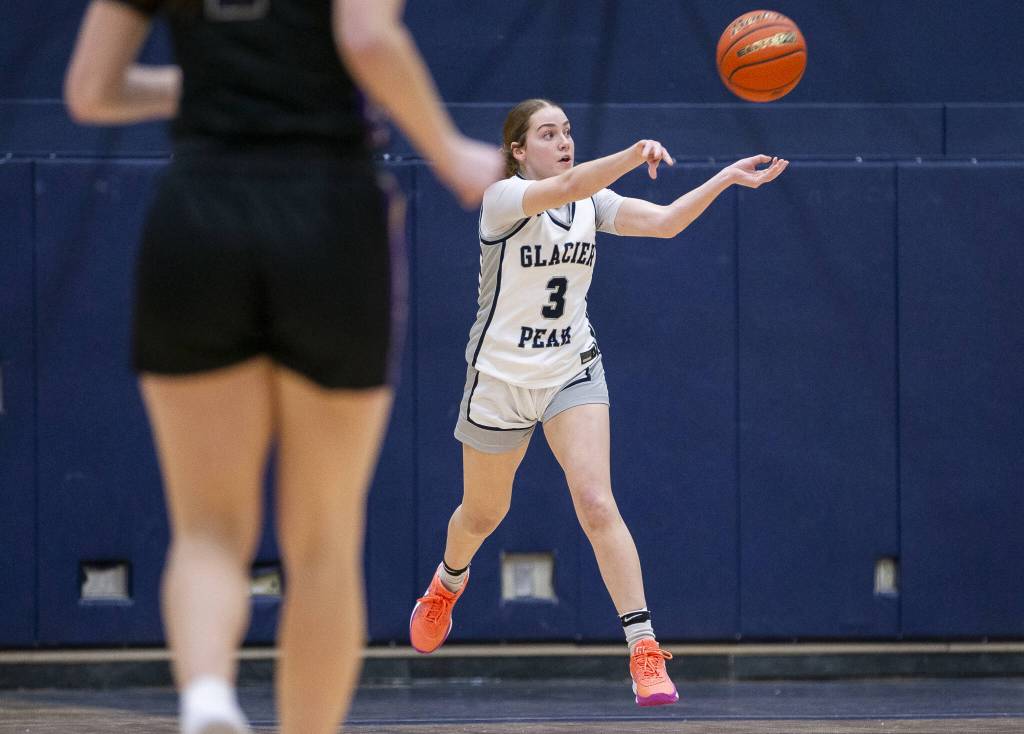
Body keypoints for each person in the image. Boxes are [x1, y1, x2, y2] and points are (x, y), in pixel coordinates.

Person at [64, 1, 503, 733]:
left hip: (199, 210)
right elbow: (365, 34)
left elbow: (89, 91)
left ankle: (207, 697)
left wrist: (205, 81)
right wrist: (451, 152)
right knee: (324, 541)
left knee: (207, 527)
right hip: (329, 213)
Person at [408, 98, 788, 706]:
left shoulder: (590, 203)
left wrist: (724, 178)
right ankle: (447, 584)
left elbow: (663, 222)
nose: (563, 141)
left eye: (567, 131)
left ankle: (643, 648)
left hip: (570, 369)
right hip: (500, 380)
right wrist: (634, 154)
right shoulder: (503, 199)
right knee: (482, 515)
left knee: (595, 501)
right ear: (517, 150)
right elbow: (570, 182)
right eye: (547, 133)